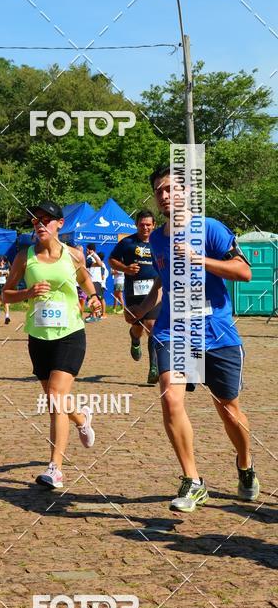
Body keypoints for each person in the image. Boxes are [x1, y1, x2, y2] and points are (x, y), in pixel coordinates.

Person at [131, 165, 260, 512]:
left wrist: (201, 259)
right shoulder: (157, 238)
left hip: (217, 332)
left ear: (186, 193)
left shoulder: (211, 229)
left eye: (171, 188)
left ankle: (245, 465)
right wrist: (141, 310)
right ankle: (193, 480)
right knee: (171, 400)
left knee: (229, 410)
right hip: (174, 331)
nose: (165, 195)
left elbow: (244, 272)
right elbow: (162, 281)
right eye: (159, 190)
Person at [3, 201, 101, 489]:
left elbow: (86, 282)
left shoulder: (73, 256)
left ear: (60, 223)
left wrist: (94, 298)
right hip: (38, 336)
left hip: (70, 334)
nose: (40, 224)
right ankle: (82, 417)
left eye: (46, 219)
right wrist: (27, 292)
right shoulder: (24, 257)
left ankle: (54, 469)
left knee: (56, 399)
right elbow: (7, 294)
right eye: (36, 220)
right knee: (54, 398)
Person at [109, 210, 161, 384]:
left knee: (152, 326)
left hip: (155, 291)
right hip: (134, 292)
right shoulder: (127, 242)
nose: (145, 227)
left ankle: (154, 368)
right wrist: (125, 269)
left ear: (154, 225)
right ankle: (134, 338)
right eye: (142, 224)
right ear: (136, 225)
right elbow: (112, 260)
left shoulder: (160, 242)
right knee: (138, 326)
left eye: (148, 224)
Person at [85, 245, 105, 321]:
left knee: (92, 299)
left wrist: (93, 254)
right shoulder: (94, 257)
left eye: (87, 250)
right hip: (95, 281)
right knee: (95, 299)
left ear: (91, 250)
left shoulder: (90, 258)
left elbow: (100, 264)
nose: (86, 252)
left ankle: (94, 315)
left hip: (93, 281)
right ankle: (96, 315)